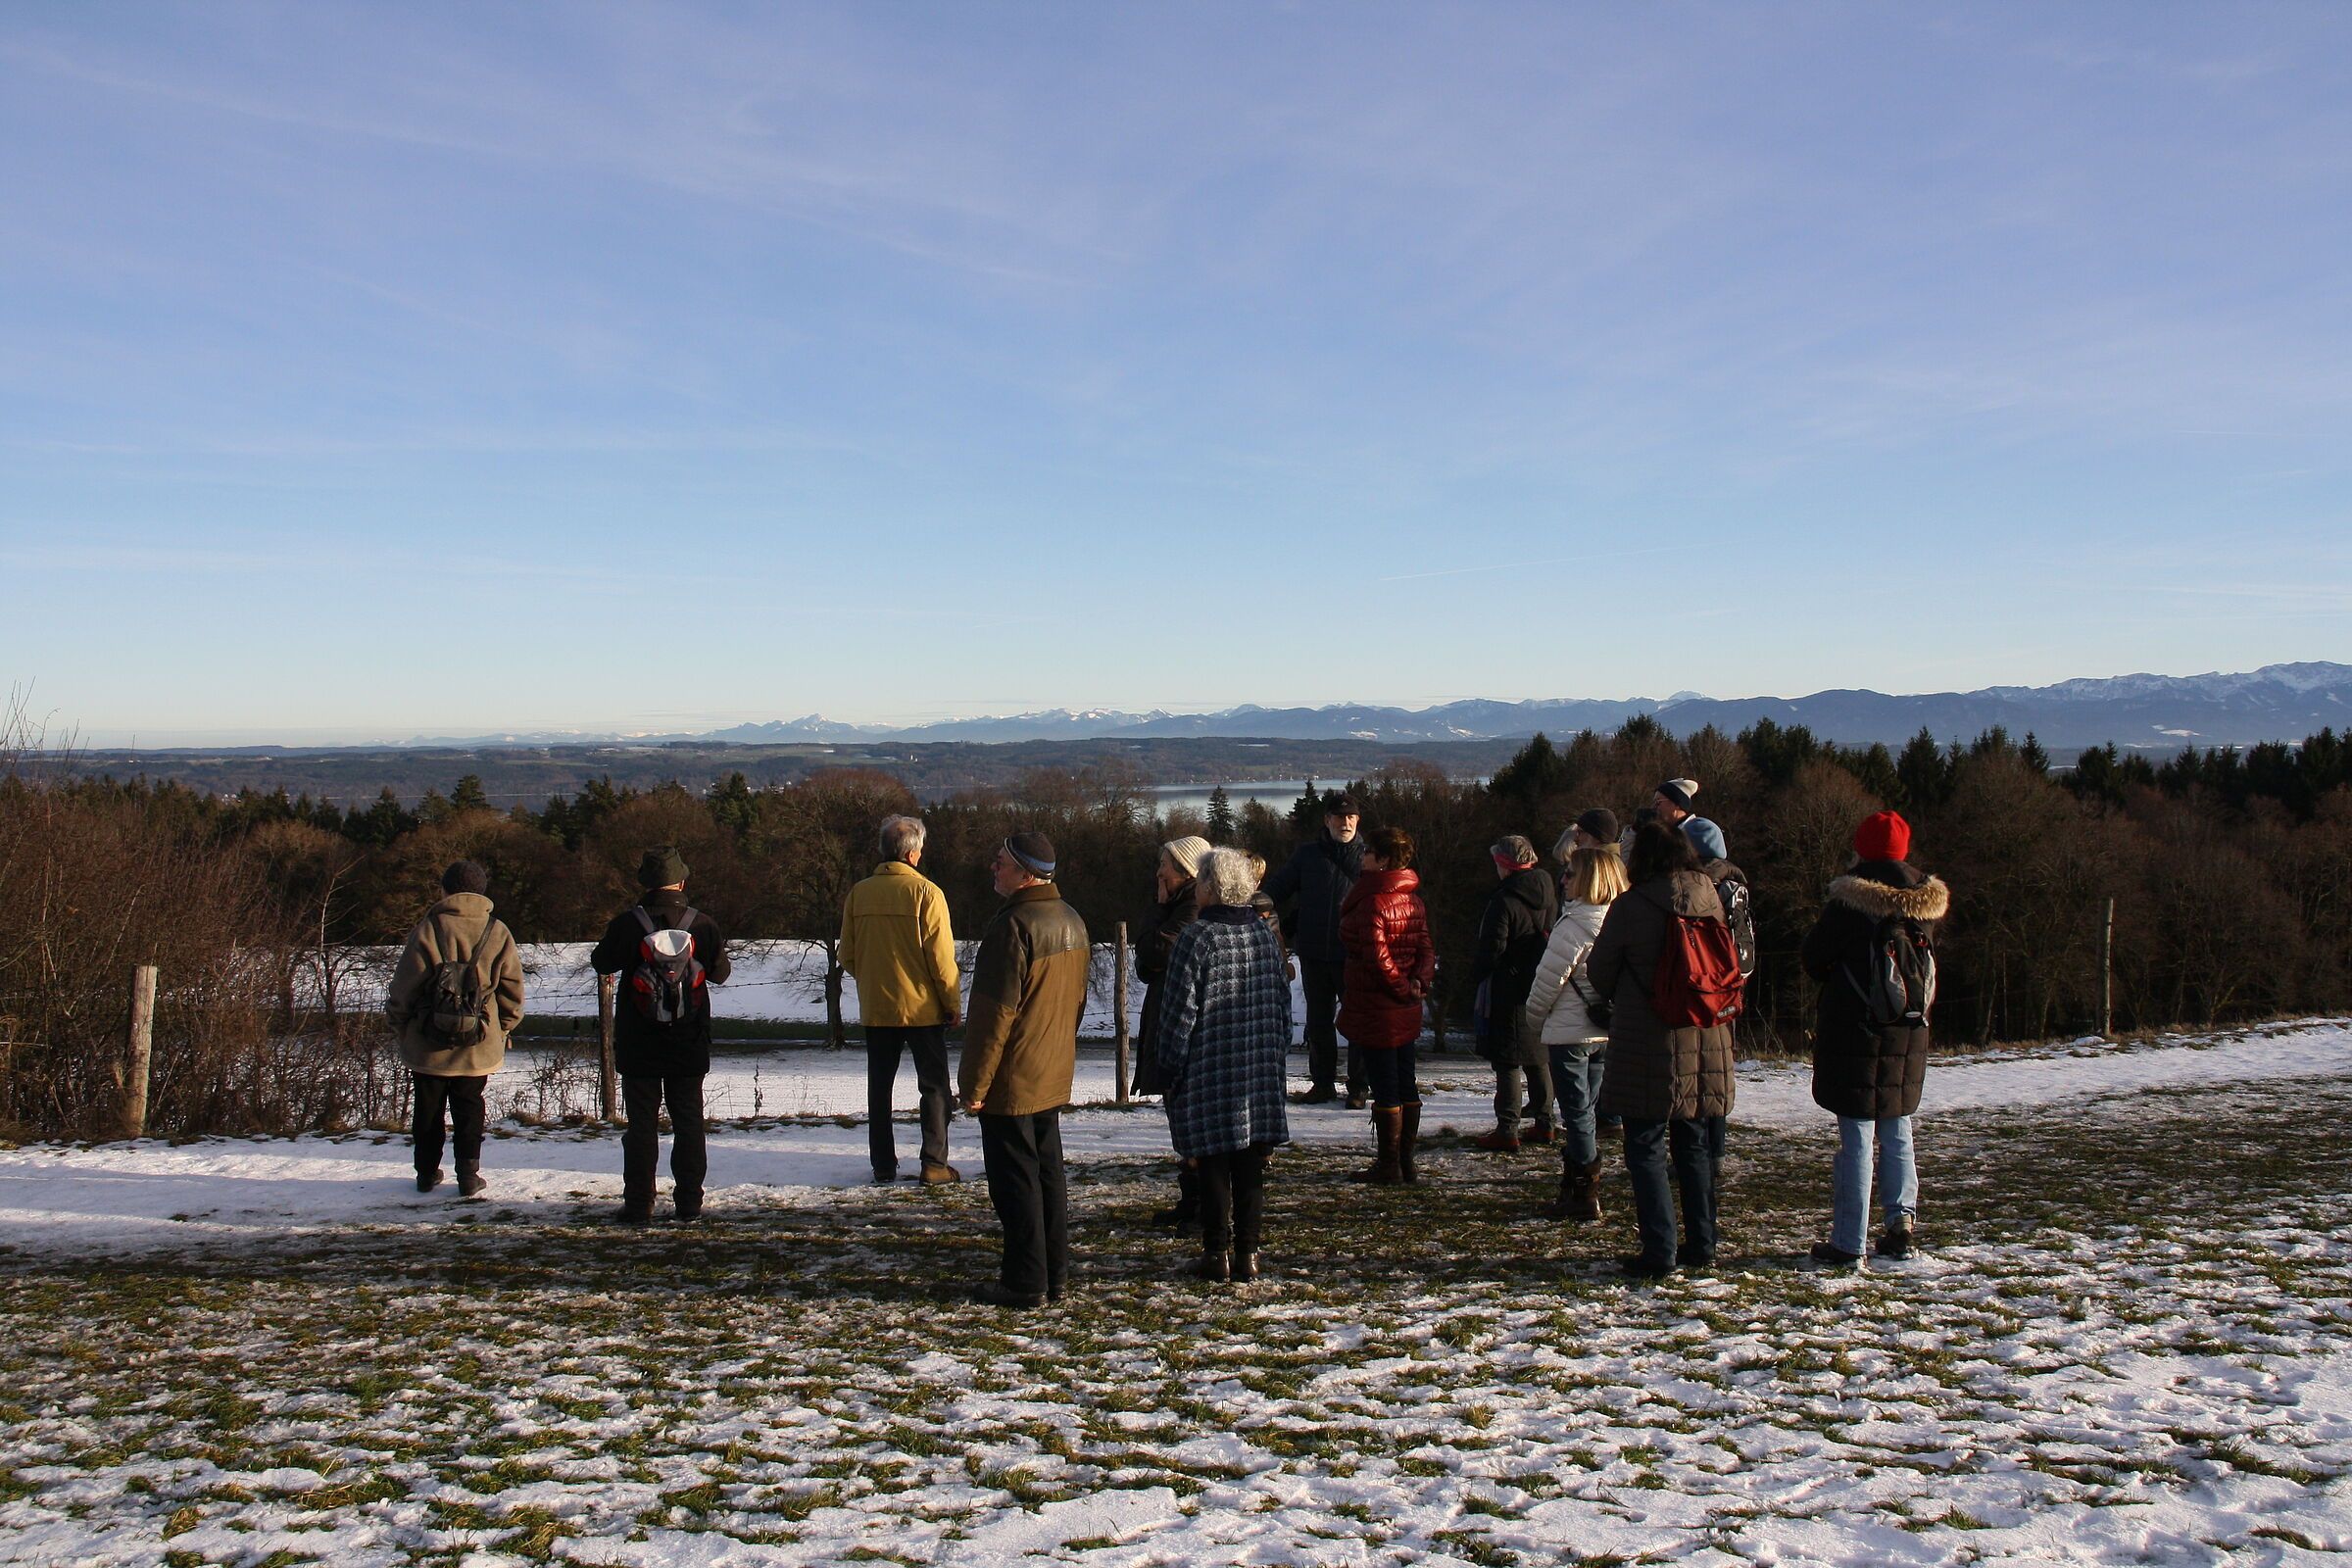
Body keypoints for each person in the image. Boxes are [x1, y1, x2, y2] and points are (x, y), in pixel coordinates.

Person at [1588, 819, 1737, 1278]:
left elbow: (1600, 972)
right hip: (1704, 1032)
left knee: (1646, 1146)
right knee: (1693, 1143)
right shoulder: (1710, 898)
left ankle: (1660, 1249)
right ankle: (1703, 1242)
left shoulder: (1631, 906)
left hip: (1646, 1036)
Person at [1799, 809, 1949, 1266]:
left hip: (1855, 1031)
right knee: (1898, 1128)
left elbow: (1814, 957)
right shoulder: (1924, 906)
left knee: (1857, 1138)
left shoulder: (1850, 903)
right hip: (1908, 1032)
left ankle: (1849, 1241)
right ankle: (1901, 1225)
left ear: (1862, 849)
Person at [958, 832, 1090, 1308]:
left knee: (1014, 1183)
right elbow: (1076, 1004)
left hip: (1012, 1077)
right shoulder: (1072, 919)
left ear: (1026, 873)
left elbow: (993, 1016)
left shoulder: (1013, 926)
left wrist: (975, 1085)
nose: (993, 868)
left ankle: (1024, 1280)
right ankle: (1055, 1273)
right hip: (1050, 1070)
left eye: (1001, 862)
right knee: (1048, 1175)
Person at [1156, 847, 1295, 1282]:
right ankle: (1248, 1255)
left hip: (1209, 1067)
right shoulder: (1263, 935)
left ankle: (1216, 1253)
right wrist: (1276, 1053)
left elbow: (1179, 1012)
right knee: (1251, 1164)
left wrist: (1169, 1066)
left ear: (1212, 888)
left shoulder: (1197, 938)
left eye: (1200, 881)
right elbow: (1283, 1006)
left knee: (1213, 1161)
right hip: (1258, 1067)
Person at [590, 846, 731, 1224]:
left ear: (646, 884)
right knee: (689, 1122)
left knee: (641, 1125)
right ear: (681, 882)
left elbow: (601, 962)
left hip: (639, 1041)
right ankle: (689, 1202)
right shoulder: (703, 924)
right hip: (689, 1038)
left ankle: (639, 1204)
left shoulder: (627, 924)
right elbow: (720, 974)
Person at [385, 859, 525, 1199]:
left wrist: (400, 1025)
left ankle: (426, 1173)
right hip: (479, 1038)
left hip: (427, 1038)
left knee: (427, 1109)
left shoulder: (429, 928)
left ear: (445, 890)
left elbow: (405, 985)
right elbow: (512, 990)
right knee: (470, 1107)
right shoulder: (497, 931)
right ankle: (468, 1175)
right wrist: (503, 1029)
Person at [839, 814, 963, 1187]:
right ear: (912, 854)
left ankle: (882, 1164)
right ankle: (934, 1163)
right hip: (923, 1008)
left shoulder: (859, 893)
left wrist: (873, 979)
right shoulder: (927, 893)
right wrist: (951, 1002)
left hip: (877, 1007)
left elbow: (847, 954)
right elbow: (941, 959)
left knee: (879, 1088)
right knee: (934, 1087)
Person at [1523, 841, 1631, 1221]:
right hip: (1605, 1029)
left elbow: (1547, 981)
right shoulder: (1622, 922)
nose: (1563, 880)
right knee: (1586, 1110)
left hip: (1570, 1033)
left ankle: (1583, 1192)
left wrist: (1535, 1022)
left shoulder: (1573, 926)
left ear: (1586, 879)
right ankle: (1576, 1185)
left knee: (1577, 1114)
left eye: (1570, 874)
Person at [1335, 825, 1436, 1184]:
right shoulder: (1413, 900)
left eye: (1369, 852)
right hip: (1404, 1004)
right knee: (1405, 1079)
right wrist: (1417, 983)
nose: (1362, 857)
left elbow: (1378, 958)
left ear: (1383, 860)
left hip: (1379, 1005)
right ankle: (1405, 1162)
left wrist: (1402, 988)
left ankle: (1390, 1164)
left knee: (1386, 1083)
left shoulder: (1373, 900)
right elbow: (1425, 948)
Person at [1261, 791, 1365, 1103]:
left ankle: (1359, 1087)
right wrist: (1251, 904)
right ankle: (1322, 1084)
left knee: (1358, 1022)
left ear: (1358, 820)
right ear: (1327, 820)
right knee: (1318, 1023)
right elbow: (1276, 889)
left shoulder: (1369, 858)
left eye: (1350, 817)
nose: (1345, 823)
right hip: (1314, 953)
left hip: (1354, 955)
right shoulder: (1307, 855)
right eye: (1339, 817)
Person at [1133, 835, 1211, 1227]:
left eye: (1165, 865)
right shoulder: (1179, 907)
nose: (1158, 872)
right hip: (1166, 1010)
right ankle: (1193, 1200)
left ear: (1186, 871)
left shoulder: (1191, 908)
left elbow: (1154, 953)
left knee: (1187, 1110)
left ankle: (1201, 1204)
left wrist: (1155, 909)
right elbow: (1146, 967)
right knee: (1179, 1109)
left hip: (1183, 1022)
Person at [1470, 834, 1559, 1152]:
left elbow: (1492, 949)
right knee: (1538, 1057)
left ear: (1504, 864)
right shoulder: (1549, 894)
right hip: (1540, 984)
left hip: (1508, 987)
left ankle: (1507, 1128)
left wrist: (1479, 973)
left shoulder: (1504, 900)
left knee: (1507, 1060)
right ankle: (1545, 1123)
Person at [1653, 776, 1726, 865]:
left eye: (1658, 802)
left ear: (1676, 804)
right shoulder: (1667, 832)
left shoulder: (1697, 832)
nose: (1655, 807)